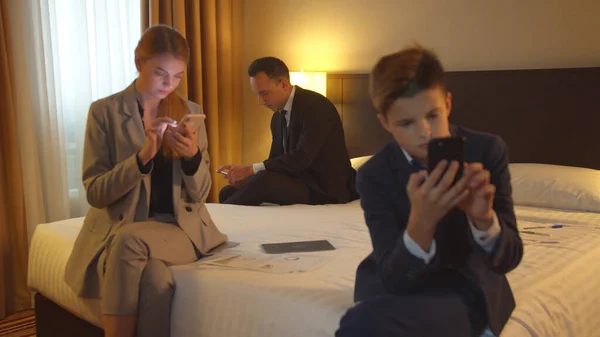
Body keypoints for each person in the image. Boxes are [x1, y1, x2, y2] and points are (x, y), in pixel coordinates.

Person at [336, 45, 523, 337]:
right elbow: (394, 278)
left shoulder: (486, 151)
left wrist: (484, 219)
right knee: (365, 320)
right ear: (385, 123)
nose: (424, 132)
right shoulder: (374, 175)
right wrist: (421, 223)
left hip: (465, 287)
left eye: (433, 115)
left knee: (364, 324)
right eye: (406, 123)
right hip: (397, 281)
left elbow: (508, 259)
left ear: (447, 104)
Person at [64, 24, 228, 337]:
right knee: (155, 280)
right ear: (139, 62)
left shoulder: (191, 113)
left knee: (129, 240)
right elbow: (96, 193)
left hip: (178, 231)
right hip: (127, 225)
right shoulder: (105, 113)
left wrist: (193, 156)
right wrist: (142, 158)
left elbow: (201, 194)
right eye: (160, 73)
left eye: (178, 76)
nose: (170, 84)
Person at [217, 57, 357, 205]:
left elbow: (302, 158)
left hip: (323, 188)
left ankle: (217, 222)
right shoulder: (277, 118)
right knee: (227, 192)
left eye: (264, 93)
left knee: (262, 180)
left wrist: (251, 170)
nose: (260, 101)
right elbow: (275, 160)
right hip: (300, 182)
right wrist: (246, 177)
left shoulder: (316, 107)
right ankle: (226, 222)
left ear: (283, 84)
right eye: (257, 95)